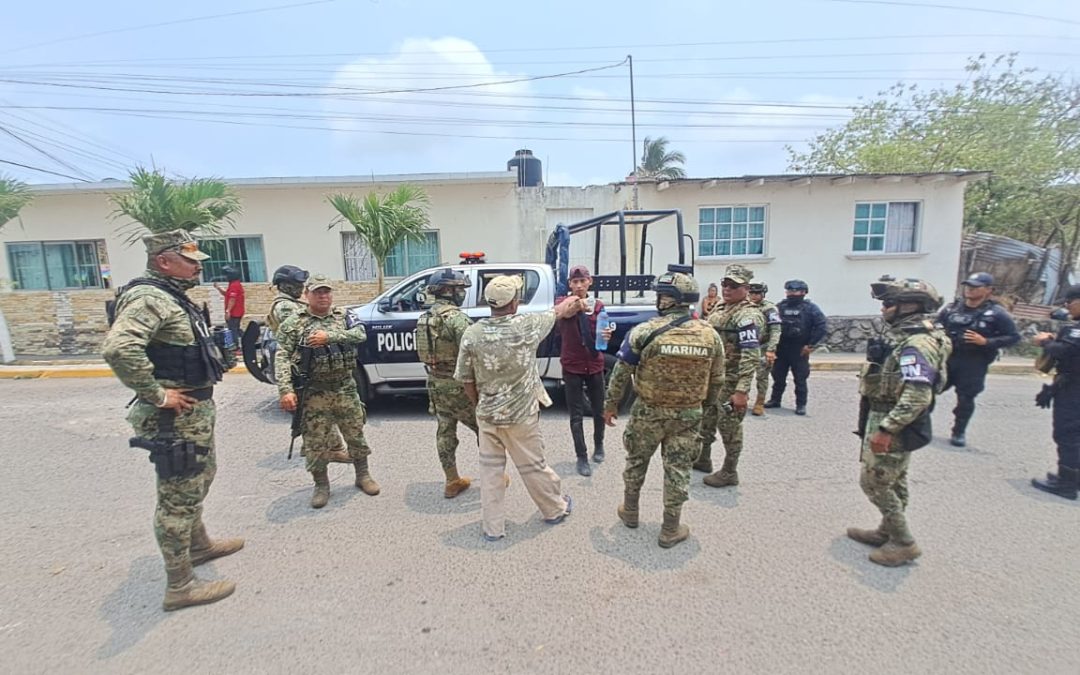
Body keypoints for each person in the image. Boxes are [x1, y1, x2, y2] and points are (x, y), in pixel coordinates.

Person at [102, 230, 243, 612]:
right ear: (164, 261)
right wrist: (158, 395)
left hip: (194, 412)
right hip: (174, 419)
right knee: (177, 499)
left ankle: (198, 546)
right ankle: (180, 585)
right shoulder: (149, 298)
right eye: (189, 259)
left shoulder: (172, 296)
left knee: (199, 480)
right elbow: (119, 348)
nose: (198, 266)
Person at [603, 265, 724, 548]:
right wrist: (705, 407)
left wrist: (610, 405)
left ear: (667, 299)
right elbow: (717, 379)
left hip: (648, 411)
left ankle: (630, 511)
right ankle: (670, 528)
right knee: (678, 469)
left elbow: (620, 372)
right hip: (688, 415)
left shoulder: (645, 331)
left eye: (660, 295)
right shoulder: (710, 335)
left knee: (636, 461)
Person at [454, 275, 579, 541]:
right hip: (521, 415)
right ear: (513, 303)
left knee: (490, 473)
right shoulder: (527, 326)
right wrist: (575, 300)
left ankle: (493, 528)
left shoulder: (472, 334)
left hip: (488, 416)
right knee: (533, 466)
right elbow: (559, 311)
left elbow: (466, 380)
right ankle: (554, 509)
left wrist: (479, 405)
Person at [849, 276, 950, 566]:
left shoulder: (917, 343)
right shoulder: (908, 337)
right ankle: (888, 530)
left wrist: (887, 429)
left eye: (889, 303)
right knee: (894, 479)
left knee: (874, 481)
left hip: (893, 418)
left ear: (910, 306)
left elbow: (918, 395)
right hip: (885, 411)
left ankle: (903, 542)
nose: (884, 309)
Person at [276, 274, 379, 509]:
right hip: (314, 391)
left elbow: (360, 335)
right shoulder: (294, 323)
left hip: (345, 387)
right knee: (315, 441)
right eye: (317, 292)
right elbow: (281, 356)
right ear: (307, 295)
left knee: (355, 433)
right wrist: (285, 390)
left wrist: (329, 337)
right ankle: (321, 485)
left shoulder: (344, 316)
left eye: (326, 292)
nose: (323, 296)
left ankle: (363, 475)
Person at [696, 264, 765, 488]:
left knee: (729, 427)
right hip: (713, 377)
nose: (727, 289)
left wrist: (742, 390)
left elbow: (751, 356)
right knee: (706, 419)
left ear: (746, 289)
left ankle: (729, 471)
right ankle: (703, 458)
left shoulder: (748, 315)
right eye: (725, 284)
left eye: (733, 285)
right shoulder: (720, 307)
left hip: (731, 380)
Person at [937, 272, 1020, 447]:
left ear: (989, 290)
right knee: (928, 391)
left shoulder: (997, 313)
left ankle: (958, 432)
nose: (970, 289)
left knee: (965, 398)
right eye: (968, 286)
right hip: (948, 358)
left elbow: (1013, 337)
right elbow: (936, 325)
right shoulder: (952, 308)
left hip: (973, 362)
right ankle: (918, 426)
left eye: (976, 287)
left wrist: (986, 342)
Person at [416, 268, 476, 498]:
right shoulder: (456, 319)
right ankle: (495, 477)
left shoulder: (425, 318)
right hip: (459, 385)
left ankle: (452, 480)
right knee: (486, 431)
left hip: (435, 382)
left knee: (445, 432)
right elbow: (473, 352)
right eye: (459, 288)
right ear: (447, 290)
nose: (462, 293)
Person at [556, 264, 611, 477]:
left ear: (590, 282)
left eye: (583, 281)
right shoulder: (563, 302)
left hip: (594, 363)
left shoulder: (598, 305)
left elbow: (604, 329)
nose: (579, 285)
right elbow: (564, 312)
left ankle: (599, 445)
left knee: (598, 410)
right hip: (572, 366)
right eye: (575, 282)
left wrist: (607, 334)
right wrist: (579, 303)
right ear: (570, 284)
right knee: (576, 415)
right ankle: (581, 456)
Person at [1029, 284, 1080, 500]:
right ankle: (1072, 477)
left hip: (1073, 387)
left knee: (1067, 433)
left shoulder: (1076, 330)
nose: (1067, 307)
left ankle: (1066, 484)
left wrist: (1046, 341)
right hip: (1071, 384)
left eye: (1070, 302)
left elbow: (1065, 351)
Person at [764, 279, 827, 415]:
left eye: (796, 291)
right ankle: (775, 400)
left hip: (799, 349)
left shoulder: (811, 308)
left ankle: (801, 404)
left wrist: (811, 345)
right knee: (778, 376)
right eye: (789, 291)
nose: (792, 293)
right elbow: (771, 325)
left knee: (800, 378)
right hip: (781, 348)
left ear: (804, 292)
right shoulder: (780, 307)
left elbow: (821, 327)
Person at [748, 282, 781, 416]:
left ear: (763, 294)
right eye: (752, 293)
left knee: (762, 377)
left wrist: (771, 349)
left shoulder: (769, 308)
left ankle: (760, 402)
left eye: (757, 293)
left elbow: (776, 330)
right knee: (743, 374)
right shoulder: (744, 306)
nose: (754, 296)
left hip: (763, 347)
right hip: (747, 346)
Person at [266, 265, 309, 331]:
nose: (301, 288)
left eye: (301, 285)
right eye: (297, 285)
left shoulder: (294, 303)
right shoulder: (286, 306)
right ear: (285, 286)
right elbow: (297, 331)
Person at [213, 265, 245, 346]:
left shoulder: (234, 285)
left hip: (235, 312)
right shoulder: (233, 284)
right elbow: (227, 294)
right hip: (237, 312)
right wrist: (218, 288)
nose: (225, 277)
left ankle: (235, 346)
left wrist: (228, 311)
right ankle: (245, 340)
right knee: (236, 328)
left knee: (232, 330)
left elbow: (232, 299)